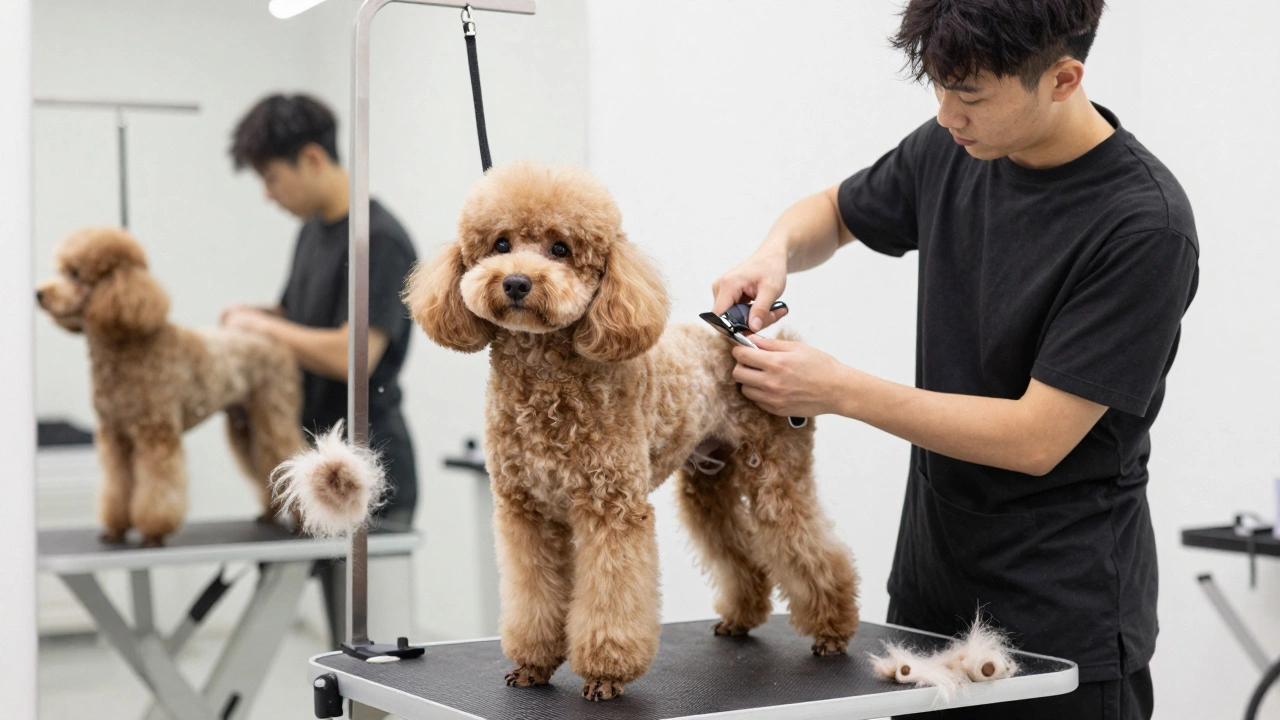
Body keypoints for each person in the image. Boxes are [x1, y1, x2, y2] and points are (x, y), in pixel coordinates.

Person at [712, 2, 1198, 718]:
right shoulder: (955, 148)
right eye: (938, 87)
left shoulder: (1142, 225)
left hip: (1060, 630)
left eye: (969, 96)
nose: (946, 115)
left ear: (1063, 78)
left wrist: (838, 389)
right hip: (927, 603)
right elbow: (836, 211)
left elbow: (1037, 438)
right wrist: (773, 252)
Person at [223, 93, 419, 649]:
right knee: (344, 652)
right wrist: (254, 318)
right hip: (317, 467)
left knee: (375, 663)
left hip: (371, 472)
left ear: (311, 158)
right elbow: (298, 320)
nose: (267, 194)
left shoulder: (378, 239)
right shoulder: (312, 231)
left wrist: (264, 330)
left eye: (271, 177)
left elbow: (353, 353)